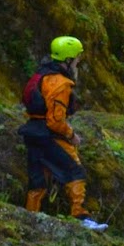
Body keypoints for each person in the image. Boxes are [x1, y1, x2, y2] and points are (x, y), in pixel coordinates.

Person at [18, 35, 107, 232]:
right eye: (76, 60)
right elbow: (55, 121)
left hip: (31, 132)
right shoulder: (60, 84)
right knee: (75, 172)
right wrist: (71, 135)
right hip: (48, 135)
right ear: (68, 59)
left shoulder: (41, 75)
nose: (77, 64)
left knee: (38, 181)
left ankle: (30, 220)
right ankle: (80, 217)